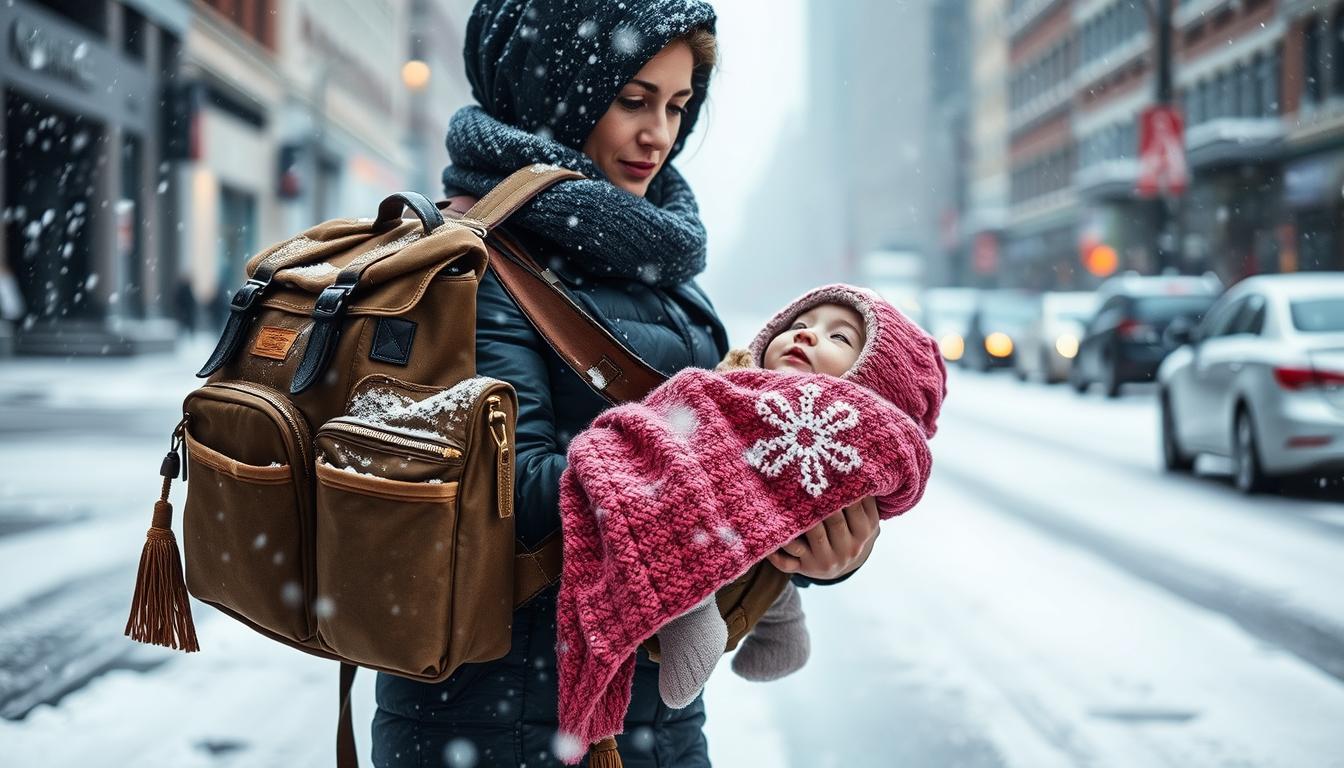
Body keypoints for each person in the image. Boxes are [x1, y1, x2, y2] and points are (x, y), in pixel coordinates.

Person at [372, 3, 882, 766]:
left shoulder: (662, 265)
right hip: (496, 725)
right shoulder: (471, 266)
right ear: (558, 92)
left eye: (678, 106)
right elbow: (505, 502)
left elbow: (708, 492)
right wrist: (747, 476)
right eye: (632, 100)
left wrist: (816, 546)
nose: (659, 135)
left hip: (654, 723)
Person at [553, 285, 947, 756]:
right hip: (535, 690)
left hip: (669, 736)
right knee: (694, 484)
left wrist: (838, 562)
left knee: (759, 510)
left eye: (839, 338)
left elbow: (804, 509)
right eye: (798, 326)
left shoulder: (683, 288)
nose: (804, 337)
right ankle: (690, 608)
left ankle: (775, 618)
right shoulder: (733, 387)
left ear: (875, 383)